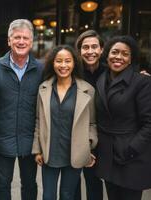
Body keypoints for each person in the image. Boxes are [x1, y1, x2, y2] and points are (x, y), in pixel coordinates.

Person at [32, 45, 98, 200]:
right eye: (59, 61)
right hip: (49, 151)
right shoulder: (43, 88)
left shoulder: (88, 90)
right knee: (48, 196)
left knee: (67, 195)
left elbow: (92, 124)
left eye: (67, 61)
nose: (63, 65)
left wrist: (88, 146)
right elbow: (38, 121)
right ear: (52, 64)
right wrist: (37, 149)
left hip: (75, 152)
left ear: (74, 63)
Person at [0, 19, 43, 200]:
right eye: (16, 37)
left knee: (29, 184)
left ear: (31, 41)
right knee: (2, 185)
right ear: (9, 41)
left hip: (30, 139)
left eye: (25, 38)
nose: (21, 41)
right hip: (2, 138)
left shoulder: (41, 69)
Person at [95, 35, 151, 200]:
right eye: (115, 52)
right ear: (107, 54)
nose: (118, 57)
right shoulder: (101, 79)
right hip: (107, 156)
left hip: (131, 158)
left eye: (125, 54)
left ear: (130, 58)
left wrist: (132, 149)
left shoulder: (142, 82)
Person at [74, 30, 105, 200]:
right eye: (85, 47)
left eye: (94, 47)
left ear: (101, 49)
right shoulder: (72, 73)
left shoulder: (110, 72)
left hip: (101, 137)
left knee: (94, 182)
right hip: (76, 136)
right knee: (73, 183)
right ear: (79, 51)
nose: (90, 51)